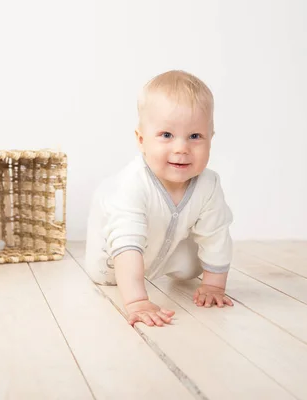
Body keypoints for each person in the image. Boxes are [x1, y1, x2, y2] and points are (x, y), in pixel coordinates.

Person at [84, 70, 234, 327]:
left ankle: (164, 267)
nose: (181, 148)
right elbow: (127, 242)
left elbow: (216, 235)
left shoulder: (208, 184)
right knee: (118, 250)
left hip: (163, 251)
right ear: (141, 140)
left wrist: (213, 285)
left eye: (195, 136)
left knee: (192, 266)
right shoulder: (132, 185)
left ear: (211, 139)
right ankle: (132, 280)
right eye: (166, 135)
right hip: (112, 261)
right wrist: (137, 301)